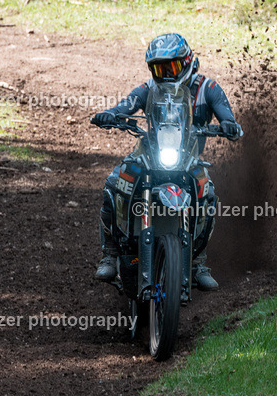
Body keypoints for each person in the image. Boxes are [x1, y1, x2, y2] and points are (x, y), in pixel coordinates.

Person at [91, 33, 242, 290]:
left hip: (188, 160)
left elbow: (228, 116)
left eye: (171, 67)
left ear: (187, 62)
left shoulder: (209, 88)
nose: (166, 74)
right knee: (114, 182)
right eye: (159, 69)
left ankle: (197, 262)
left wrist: (228, 124)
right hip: (149, 155)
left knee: (208, 195)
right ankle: (112, 252)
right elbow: (126, 105)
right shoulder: (148, 88)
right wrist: (111, 114)